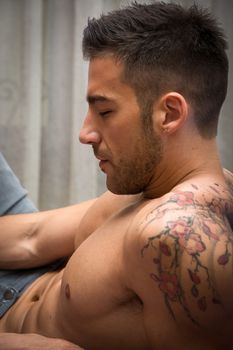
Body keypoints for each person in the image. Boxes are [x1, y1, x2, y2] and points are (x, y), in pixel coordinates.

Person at [0, 1, 233, 349]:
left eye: (105, 110)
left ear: (168, 113)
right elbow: (32, 237)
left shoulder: (176, 236)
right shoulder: (154, 183)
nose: (85, 133)